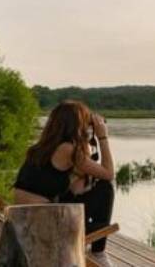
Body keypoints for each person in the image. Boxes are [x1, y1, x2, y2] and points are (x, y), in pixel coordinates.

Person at [14, 100, 115, 265]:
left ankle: (97, 247)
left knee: (93, 185)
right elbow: (108, 174)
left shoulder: (44, 147)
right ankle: (98, 252)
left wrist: (86, 143)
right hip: (46, 222)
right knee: (106, 188)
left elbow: (80, 183)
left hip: (25, 219)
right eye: (85, 122)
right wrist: (102, 136)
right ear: (77, 125)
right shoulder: (68, 149)